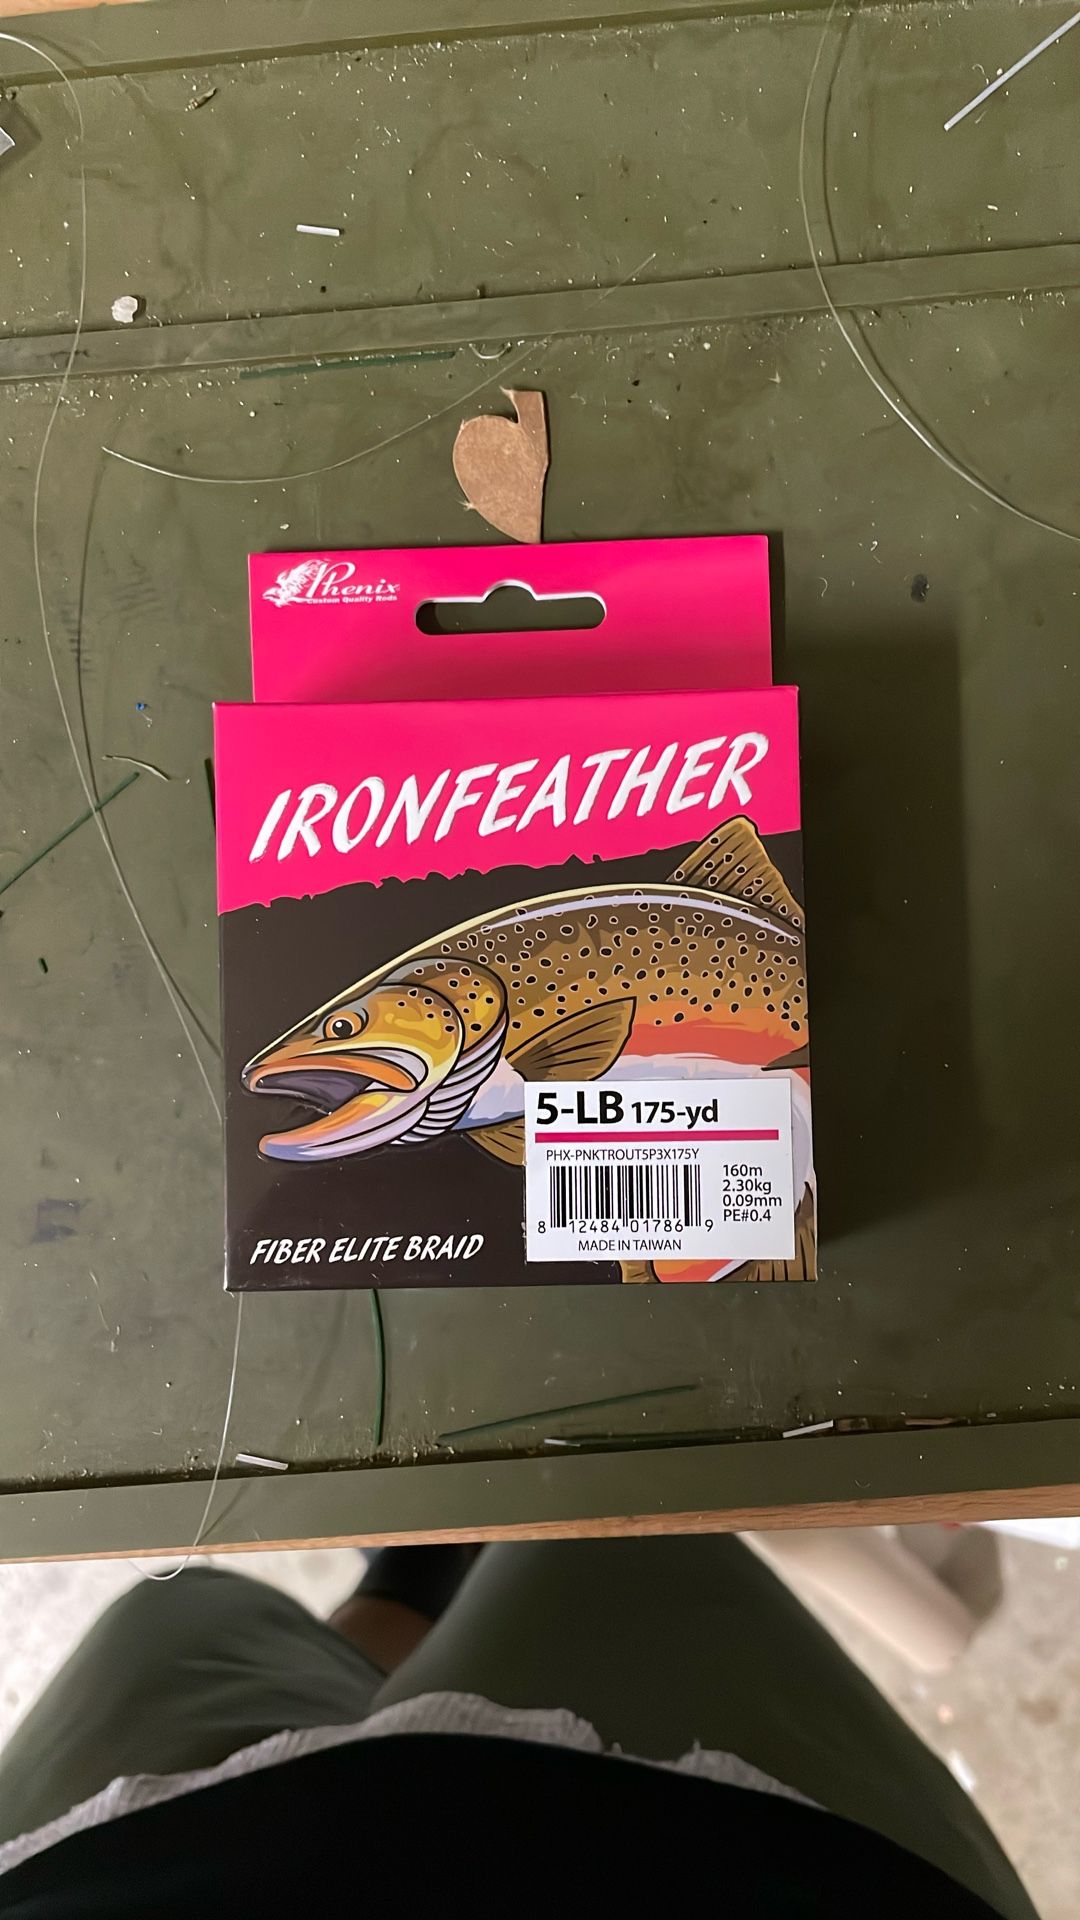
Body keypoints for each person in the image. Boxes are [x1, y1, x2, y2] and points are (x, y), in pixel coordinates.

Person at [0, 1538, 1038, 1917]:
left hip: (120, 1869)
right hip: (728, 1852)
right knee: (606, 1540)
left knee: (183, 1616)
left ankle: (411, 1578)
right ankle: (476, 1547)